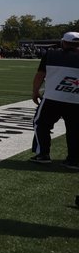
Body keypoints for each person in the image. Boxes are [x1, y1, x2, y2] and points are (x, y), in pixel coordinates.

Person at [29, 31, 79, 168]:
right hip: (76, 100)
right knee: (75, 130)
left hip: (52, 98)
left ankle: (43, 154)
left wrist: (35, 91)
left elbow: (40, 75)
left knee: (41, 124)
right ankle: (74, 160)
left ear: (63, 42)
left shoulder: (51, 54)